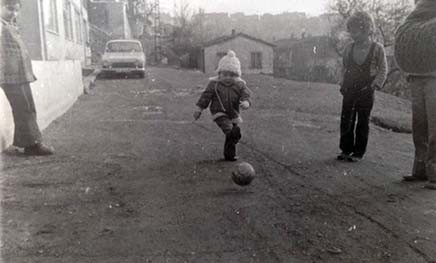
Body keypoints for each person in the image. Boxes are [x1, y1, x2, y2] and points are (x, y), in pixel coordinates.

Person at [0, 0, 54, 155]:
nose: (13, 13)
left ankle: (30, 142)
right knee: (23, 108)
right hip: (8, 76)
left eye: (16, 10)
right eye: (9, 9)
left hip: (20, 74)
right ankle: (32, 146)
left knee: (28, 107)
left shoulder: (10, 25)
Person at [394, 0, 436, 189]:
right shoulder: (417, 13)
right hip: (417, 74)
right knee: (419, 125)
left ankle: (434, 172)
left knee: (434, 125)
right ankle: (420, 169)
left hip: (434, 76)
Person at [337, 11, 387, 162]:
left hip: (367, 90)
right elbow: (343, 67)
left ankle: (358, 152)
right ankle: (346, 150)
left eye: (355, 30)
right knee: (346, 119)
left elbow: (383, 68)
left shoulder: (377, 48)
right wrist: (342, 83)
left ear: (366, 29)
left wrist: (376, 84)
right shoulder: (349, 48)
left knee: (363, 120)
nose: (352, 34)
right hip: (349, 88)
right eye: (350, 30)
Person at [193, 50, 251, 161]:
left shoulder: (239, 85)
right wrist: (199, 109)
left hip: (233, 113)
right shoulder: (214, 84)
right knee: (230, 130)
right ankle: (233, 135)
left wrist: (246, 102)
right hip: (219, 112)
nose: (228, 78)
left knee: (231, 136)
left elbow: (246, 94)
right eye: (225, 74)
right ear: (219, 74)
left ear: (237, 75)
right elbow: (206, 97)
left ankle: (230, 155)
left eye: (232, 75)